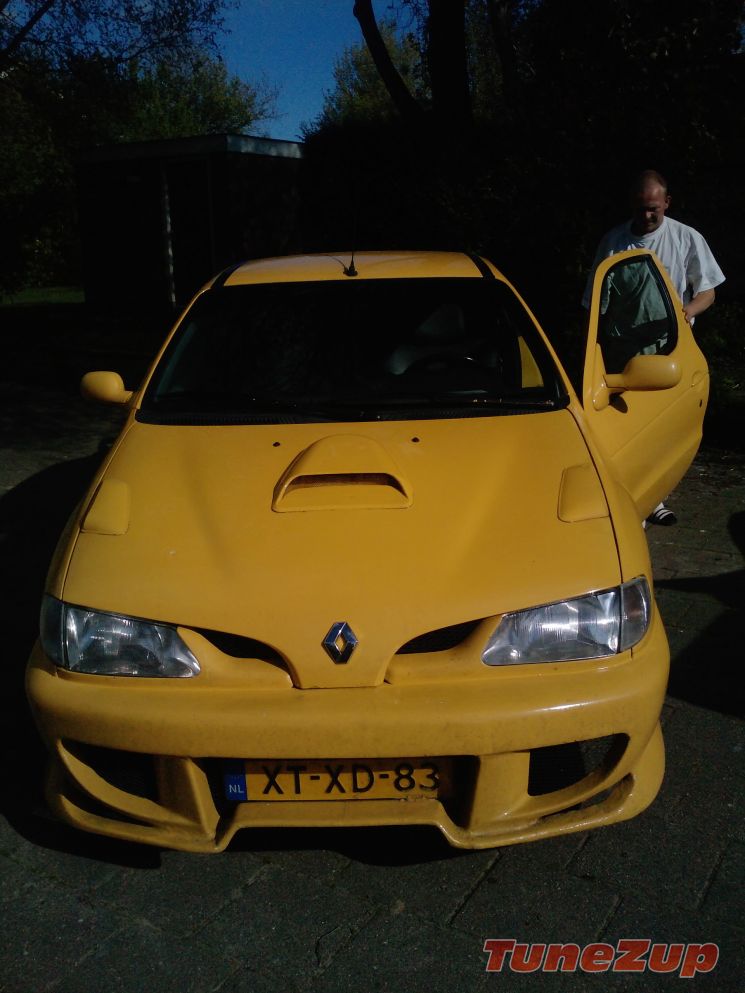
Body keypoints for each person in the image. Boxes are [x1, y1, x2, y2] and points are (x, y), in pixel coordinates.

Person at [583, 169, 725, 526]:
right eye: (641, 208)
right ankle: (632, 496)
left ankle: (656, 496)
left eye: (654, 209)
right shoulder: (614, 242)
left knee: (663, 429)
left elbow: (707, 291)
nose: (647, 215)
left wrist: (686, 312)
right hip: (622, 354)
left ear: (666, 203)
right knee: (627, 428)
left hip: (669, 351)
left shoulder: (685, 238)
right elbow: (595, 304)